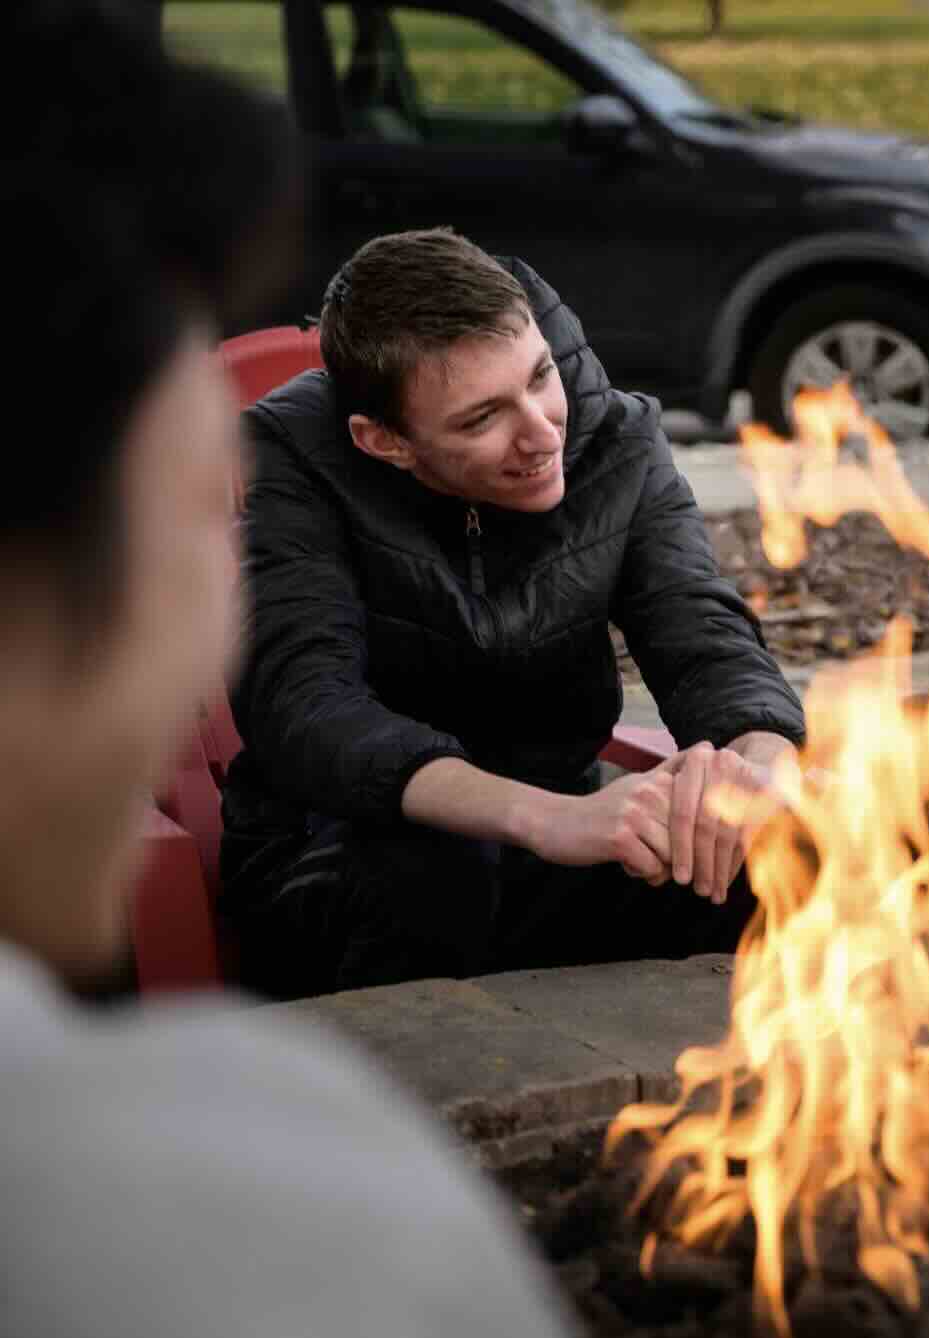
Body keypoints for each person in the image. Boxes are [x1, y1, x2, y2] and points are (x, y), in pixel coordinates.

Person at [0, 5, 575, 1334]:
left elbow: (698, 621)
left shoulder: (598, 444)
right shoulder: (261, 1215)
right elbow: (310, 711)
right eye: (205, 514)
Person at [221, 228, 806, 999]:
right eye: (480, 419)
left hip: (564, 819)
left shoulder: (615, 438)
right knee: (438, 876)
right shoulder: (295, 462)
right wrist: (548, 820)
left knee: (777, 857)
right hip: (338, 849)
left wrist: (757, 771)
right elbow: (306, 707)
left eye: (539, 377)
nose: (541, 433)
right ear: (384, 440)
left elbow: (703, 633)